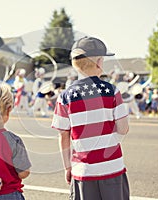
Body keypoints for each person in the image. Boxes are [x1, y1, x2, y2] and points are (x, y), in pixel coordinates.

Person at [52, 36, 130, 200]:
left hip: (83, 171)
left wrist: (68, 167)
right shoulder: (112, 91)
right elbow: (123, 128)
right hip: (112, 167)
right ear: (99, 63)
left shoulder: (65, 97)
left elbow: (63, 136)